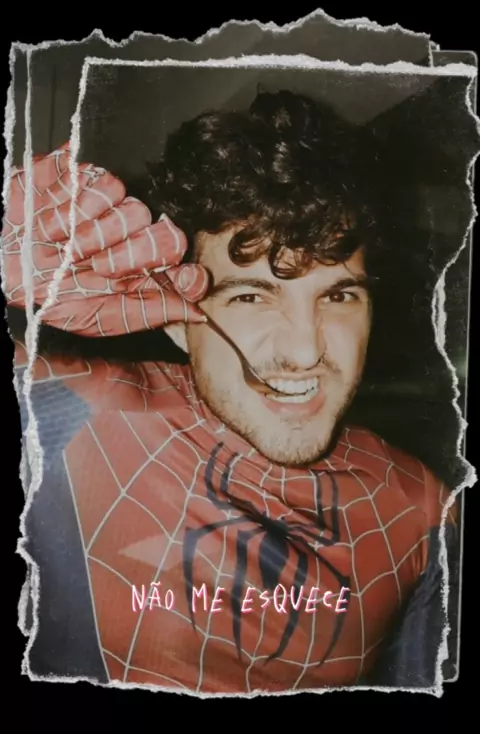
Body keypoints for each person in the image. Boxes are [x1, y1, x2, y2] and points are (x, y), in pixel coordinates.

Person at [3, 90, 458, 693]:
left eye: (339, 295)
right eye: (250, 296)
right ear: (176, 315)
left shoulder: (424, 507)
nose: (305, 350)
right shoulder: (70, 415)